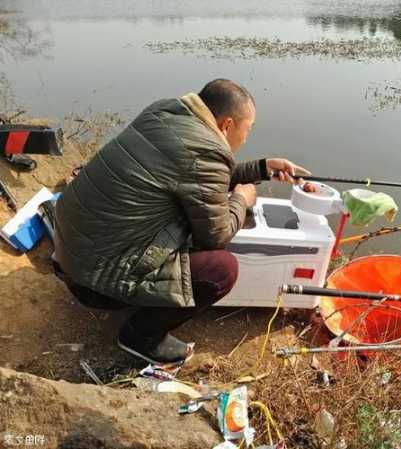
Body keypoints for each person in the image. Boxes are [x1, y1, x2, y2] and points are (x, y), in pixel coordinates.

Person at [54, 79, 311, 364]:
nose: (246, 138)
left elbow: (194, 173)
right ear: (227, 125)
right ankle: (141, 336)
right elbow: (216, 236)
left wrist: (261, 168)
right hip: (93, 280)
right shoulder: (206, 152)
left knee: (191, 219)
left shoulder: (165, 113)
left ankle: (138, 299)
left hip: (70, 251)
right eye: (247, 129)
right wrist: (242, 200)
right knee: (221, 270)